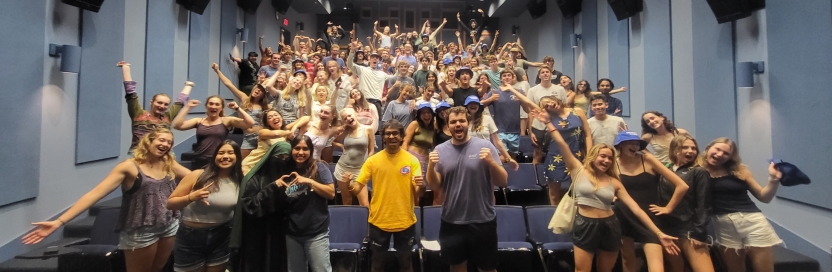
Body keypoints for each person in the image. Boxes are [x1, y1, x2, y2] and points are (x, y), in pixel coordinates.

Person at [530, 109, 680, 272]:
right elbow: (562, 144)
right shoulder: (578, 170)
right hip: (585, 224)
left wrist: (659, 234)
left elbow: (636, 209)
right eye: (602, 156)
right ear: (593, 156)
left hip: (610, 226)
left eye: (609, 158)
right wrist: (547, 123)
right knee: (582, 270)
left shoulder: (614, 182)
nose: (606, 160)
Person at [23, 129, 191, 272]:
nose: (166, 144)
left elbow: (195, 178)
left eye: (169, 142)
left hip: (169, 225)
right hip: (141, 230)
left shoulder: (169, 164)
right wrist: (59, 222)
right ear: (149, 141)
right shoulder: (129, 167)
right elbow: (95, 194)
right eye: (162, 140)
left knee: (158, 269)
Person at [426, 106, 508, 272]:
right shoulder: (440, 150)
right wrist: (430, 166)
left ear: (468, 123)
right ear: (448, 126)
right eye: (453, 121)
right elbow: (434, 185)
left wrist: (492, 162)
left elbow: (503, 182)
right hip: (452, 221)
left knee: (487, 268)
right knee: (456, 266)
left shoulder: (486, 147)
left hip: (483, 220)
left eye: (461, 120)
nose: (458, 124)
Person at [696, 138, 783, 272]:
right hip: (723, 225)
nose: (719, 154)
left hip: (753, 222)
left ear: (730, 157)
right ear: (708, 148)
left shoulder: (739, 170)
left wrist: (774, 180)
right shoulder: (696, 170)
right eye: (717, 149)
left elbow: (763, 197)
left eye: (725, 153)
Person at [347, 119, 424, 272]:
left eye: (395, 133)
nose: (391, 137)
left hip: (405, 221)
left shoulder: (412, 160)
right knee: (377, 264)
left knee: (406, 264)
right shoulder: (372, 161)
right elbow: (356, 189)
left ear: (402, 136)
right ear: (383, 137)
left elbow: (419, 193)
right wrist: (350, 184)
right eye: (388, 133)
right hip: (379, 221)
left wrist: (422, 186)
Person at [613, 131, 689, 272]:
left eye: (637, 143)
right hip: (623, 213)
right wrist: (612, 196)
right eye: (630, 143)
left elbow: (682, 185)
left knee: (656, 263)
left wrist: (668, 208)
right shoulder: (613, 164)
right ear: (621, 145)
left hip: (649, 215)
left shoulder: (647, 159)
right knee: (627, 260)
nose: (634, 146)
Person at [167, 140, 242, 272]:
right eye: (221, 153)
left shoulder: (239, 180)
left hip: (222, 236)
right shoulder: (198, 175)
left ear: (237, 156)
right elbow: (170, 204)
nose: (225, 156)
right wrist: (191, 197)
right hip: (191, 237)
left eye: (230, 152)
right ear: (215, 157)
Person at [510, 90, 591, 204]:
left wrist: (590, 155)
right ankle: (554, 215)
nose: (549, 104)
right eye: (545, 105)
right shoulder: (549, 117)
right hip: (555, 156)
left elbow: (587, 135)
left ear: (556, 100)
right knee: (554, 193)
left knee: (578, 191)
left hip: (576, 154)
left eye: (549, 101)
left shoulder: (578, 111)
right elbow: (527, 101)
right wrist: (511, 88)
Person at [277, 135, 336, 272]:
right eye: (297, 148)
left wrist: (309, 181)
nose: (301, 152)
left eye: (305, 149)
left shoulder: (319, 167)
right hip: (292, 231)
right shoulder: (285, 168)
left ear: (310, 151)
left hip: (316, 232)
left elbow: (331, 193)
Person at [232, 141, 293, 272]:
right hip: (257, 233)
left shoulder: (291, 178)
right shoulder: (254, 178)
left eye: (287, 158)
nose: (283, 161)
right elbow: (249, 205)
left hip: (280, 233)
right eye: (279, 157)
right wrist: (272, 188)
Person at [658, 135, 715, 272]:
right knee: (675, 268)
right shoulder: (667, 168)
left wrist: (699, 233)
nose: (690, 151)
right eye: (685, 147)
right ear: (675, 149)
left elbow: (704, 204)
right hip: (667, 228)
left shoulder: (699, 171)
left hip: (689, 228)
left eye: (693, 148)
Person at [117, 61, 191, 154]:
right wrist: (126, 68)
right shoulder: (138, 114)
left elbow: (179, 102)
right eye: (159, 103)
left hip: (163, 156)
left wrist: (189, 85)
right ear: (151, 102)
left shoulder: (167, 117)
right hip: (139, 155)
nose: (162, 106)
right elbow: (131, 93)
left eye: (165, 104)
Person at [173, 97, 255, 169]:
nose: (213, 106)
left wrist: (237, 108)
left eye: (217, 104)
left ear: (221, 108)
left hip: (218, 159)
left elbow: (250, 123)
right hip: (199, 159)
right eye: (211, 104)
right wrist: (188, 107)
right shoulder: (198, 121)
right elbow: (177, 125)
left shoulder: (226, 121)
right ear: (206, 106)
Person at [213, 63, 269, 159]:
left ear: (263, 95)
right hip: (247, 137)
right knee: (242, 164)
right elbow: (229, 84)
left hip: (261, 138)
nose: (258, 90)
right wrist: (217, 71)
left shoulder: (265, 106)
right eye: (257, 88)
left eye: (261, 90)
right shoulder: (244, 99)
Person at [241, 110, 309, 175]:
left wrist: (294, 128)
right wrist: (288, 132)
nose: (274, 118)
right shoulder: (263, 132)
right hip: (253, 165)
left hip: (270, 169)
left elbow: (306, 118)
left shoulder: (285, 130)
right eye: (270, 117)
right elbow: (276, 134)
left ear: (281, 118)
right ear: (267, 123)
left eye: (276, 115)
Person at [526, 66, 568, 164]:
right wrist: (531, 131)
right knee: (538, 154)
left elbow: (565, 109)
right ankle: (535, 178)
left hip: (556, 125)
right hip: (538, 126)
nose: (545, 74)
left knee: (558, 153)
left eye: (547, 72)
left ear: (551, 75)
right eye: (543, 72)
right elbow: (531, 113)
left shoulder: (560, 89)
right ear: (539, 75)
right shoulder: (532, 90)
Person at [333, 108, 375, 206]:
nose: (348, 118)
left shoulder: (368, 129)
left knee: (364, 204)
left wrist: (366, 166)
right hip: (343, 169)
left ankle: (365, 222)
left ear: (355, 114)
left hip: (359, 171)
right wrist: (341, 146)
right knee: (347, 201)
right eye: (344, 118)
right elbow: (334, 141)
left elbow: (371, 150)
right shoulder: (346, 131)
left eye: (349, 115)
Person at [464, 96, 518, 169]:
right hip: (468, 156)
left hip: (485, 155)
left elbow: (497, 141)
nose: (473, 105)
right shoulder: (462, 120)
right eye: (470, 103)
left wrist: (508, 158)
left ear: (479, 106)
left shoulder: (487, 119)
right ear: (466, 106)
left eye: (475, 103)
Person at [348, 41, 397, 121]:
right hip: (364, 101)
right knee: (364, 123)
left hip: (377, 102)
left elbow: (394, 77)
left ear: (378, 61)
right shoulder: (362, 69)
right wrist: (352, 51)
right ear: (369, 59)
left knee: (378, 126)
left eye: (377, 58)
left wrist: (396, 67)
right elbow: (350, 65)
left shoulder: (382, 74)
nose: (375, 58)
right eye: (373, 57)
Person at [483, 70, 524, 160]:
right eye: (504, 76)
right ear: (501, 78)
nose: (507, 77)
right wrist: (490, 99)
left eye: (509, 75)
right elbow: (480, 105)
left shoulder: (519, 92)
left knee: (512, 157)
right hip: (500, 130)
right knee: (502, 158)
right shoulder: (494, 92)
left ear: (513, 78)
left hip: (515, 131)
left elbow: (527, 109)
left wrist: (521, 100)